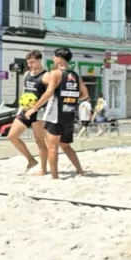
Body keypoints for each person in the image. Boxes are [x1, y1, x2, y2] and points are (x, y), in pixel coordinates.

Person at [25, 47, 87, 179]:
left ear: (59, 59)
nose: (53, 59)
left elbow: (48, 93)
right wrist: (70, 97)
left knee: (52, 147)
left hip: (55, 115)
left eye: (54, 57)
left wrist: (34, 108)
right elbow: (85, 95)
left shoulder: (55, 73)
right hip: (69, 115)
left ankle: (54, 177)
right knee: (66, 146)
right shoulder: (76, 75)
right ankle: (80, 171)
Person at [8, 49, 50, 174]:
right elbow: (25, 92)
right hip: (25, 110)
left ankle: (43, 169)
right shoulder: (27, 74)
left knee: (39, 141)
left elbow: (49, 95)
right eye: (28, 62)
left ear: (39, 60)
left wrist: (35, 108)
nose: (30, 65)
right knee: (12, 136)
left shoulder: (46, 76)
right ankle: (31, 160)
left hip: (39, 111)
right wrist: (21, 108)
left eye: (32, 62)